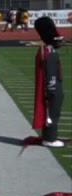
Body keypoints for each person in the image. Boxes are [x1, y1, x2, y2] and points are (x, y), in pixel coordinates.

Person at [33, 16, 65, 148]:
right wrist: (52, 90)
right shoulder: (49, 51)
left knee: (52, 112)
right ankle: (50, 138)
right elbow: (50, 73)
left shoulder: (46, 49)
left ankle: (48, 136)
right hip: (53, 86)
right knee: (53, 113)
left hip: (53, 84)